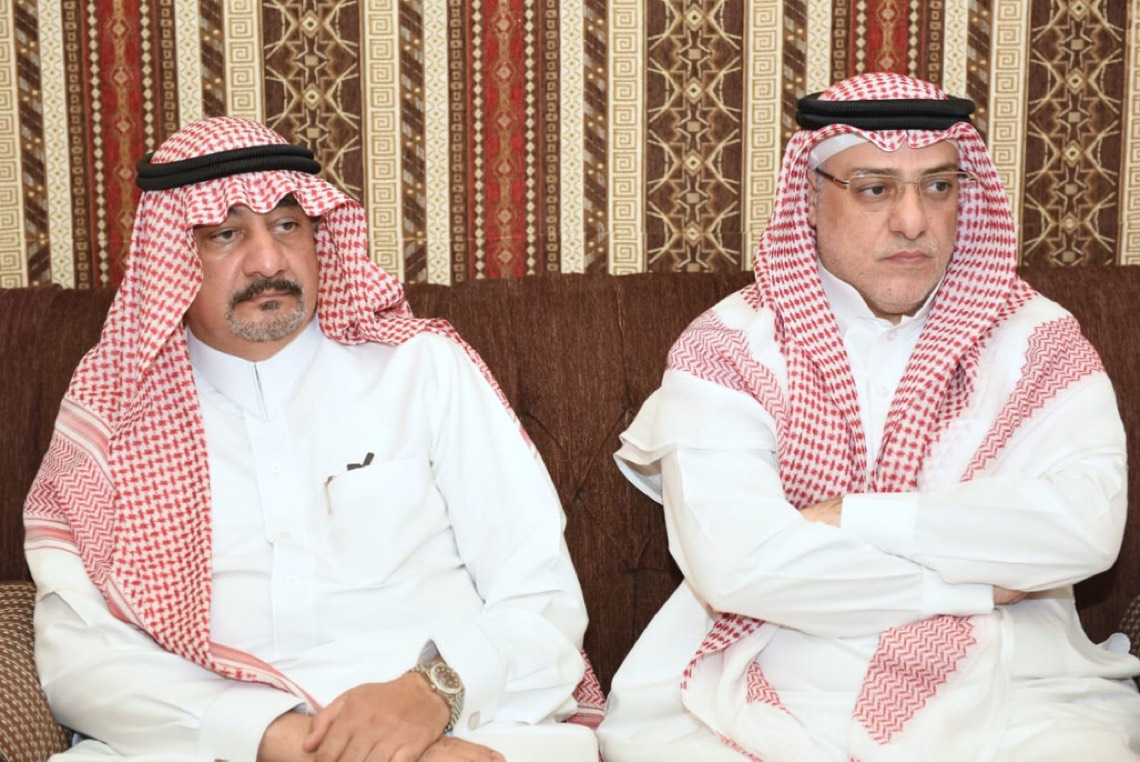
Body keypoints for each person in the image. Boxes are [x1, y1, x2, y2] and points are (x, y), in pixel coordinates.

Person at [596, 72, 1140, 761]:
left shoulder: (1038, 340)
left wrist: (851, 518)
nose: (913, 221)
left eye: (937, 186)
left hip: (1016, 689)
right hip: (767, 671)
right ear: (809, 198)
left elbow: (1085, 532)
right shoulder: (728, 347)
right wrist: (980, 584)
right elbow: (739, 568)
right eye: (875, 189)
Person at [24, 117, 601, 761]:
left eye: (287, 226)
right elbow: (79, 658)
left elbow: (543, 598)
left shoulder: (422, 369)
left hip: (457, 725)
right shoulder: (111, 413)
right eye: (226, 235)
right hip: (220, 740)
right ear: (171, 261)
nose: (268, 261)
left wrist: (434, 694)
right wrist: (286, 741)